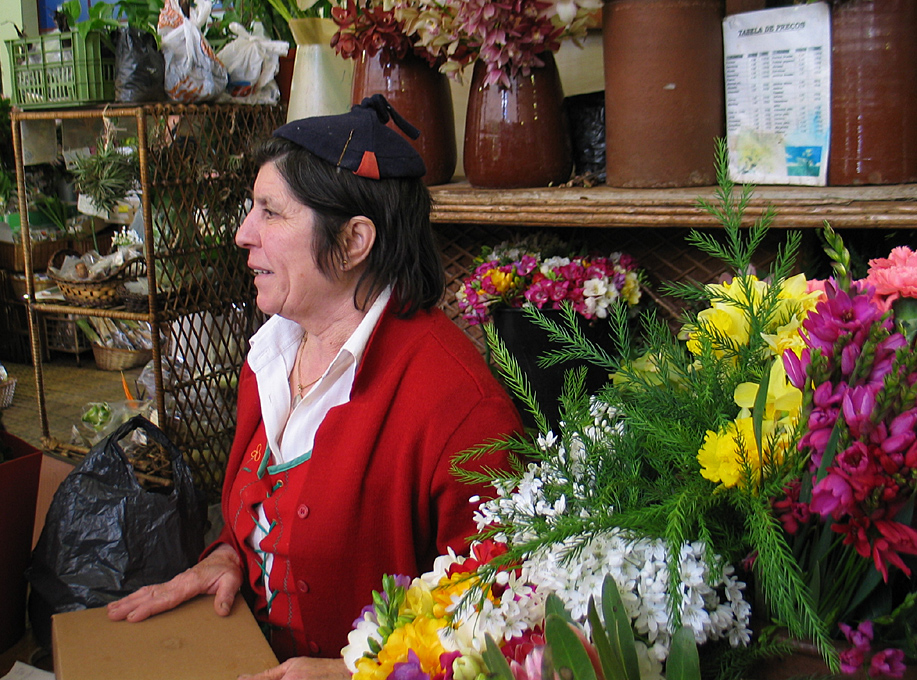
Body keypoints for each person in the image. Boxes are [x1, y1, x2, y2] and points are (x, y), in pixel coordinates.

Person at [107, 95, 522, 680]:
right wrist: (228, 554)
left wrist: (350, 674)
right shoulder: (270, 355)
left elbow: (502, 621)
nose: (242, 234)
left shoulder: (459, 409)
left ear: (354, 241)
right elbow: (254, 511)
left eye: (270, 213)